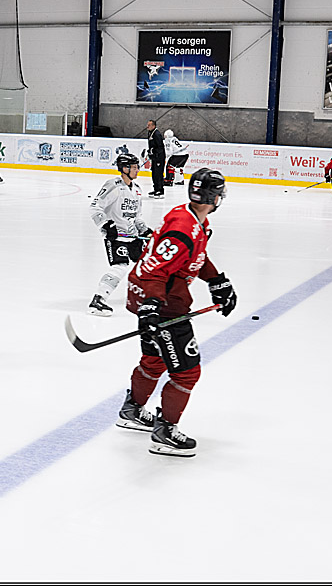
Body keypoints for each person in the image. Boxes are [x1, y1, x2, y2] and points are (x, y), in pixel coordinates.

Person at [120, 168, 237, 457]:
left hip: (151, 299)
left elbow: (194, 256)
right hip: (164, 307)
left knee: (154, 359)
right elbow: (155, 270)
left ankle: (132, 409)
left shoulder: (190, 218)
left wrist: (216, 280)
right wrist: (152, 307)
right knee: (186, 372)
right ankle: (165, 431)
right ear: (213, 197)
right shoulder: (183, 230)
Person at [87, 154, 152, 317]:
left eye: (137, 166)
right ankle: (98, 300)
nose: (137, 170)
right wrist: (106, 225)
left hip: (133, 237)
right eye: (134, 167)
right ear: (124, 168)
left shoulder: (137, 190)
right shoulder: (113, 185)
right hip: (117, 238)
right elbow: (95, 207)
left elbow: (137, 216)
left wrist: (144, 230)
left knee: (146, 264)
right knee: (120, 266)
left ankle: (149, 298)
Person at [145, 119, 165, 198]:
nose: (147, 126)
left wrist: (154, 152)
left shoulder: (157, 134)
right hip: (154, 158)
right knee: (154, 174)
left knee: (158, 174)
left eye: (149, 125)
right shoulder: (150, 133)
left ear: (153, 126)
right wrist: (150, 152)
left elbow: (160, 147)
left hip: (159, 158)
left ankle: (160, 190)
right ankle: (156, 189)